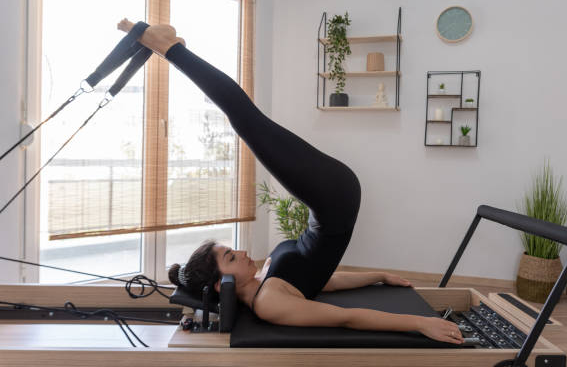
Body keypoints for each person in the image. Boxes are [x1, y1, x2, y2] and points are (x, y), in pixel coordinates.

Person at [117, 19, 463, 345]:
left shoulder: (265, 281)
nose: (241, 252)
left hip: (331, 199)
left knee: (248, 120)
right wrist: (419, 322)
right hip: (332, 200)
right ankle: (169, 46)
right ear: (221, 283)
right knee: (245, 119)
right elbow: (347, 318)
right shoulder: (270, 303)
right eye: (230, 257)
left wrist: (377, 276)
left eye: (231, 250)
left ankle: (171, 46)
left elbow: (320, 280)